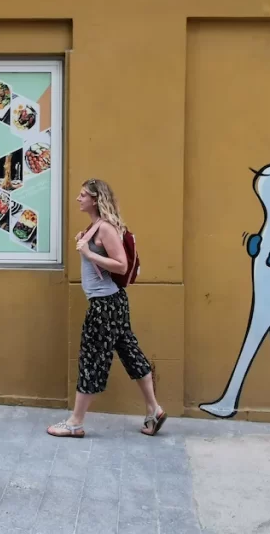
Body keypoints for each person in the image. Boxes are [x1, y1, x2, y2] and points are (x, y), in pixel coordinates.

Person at [47, 179, 165, 438]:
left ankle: (76, 422)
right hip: (112, 303)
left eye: (82, 195)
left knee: (91, 358)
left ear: (95, 199)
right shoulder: (95, 227)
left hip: (104, 305)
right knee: (130, 352)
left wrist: (89, 254)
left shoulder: (106, 229)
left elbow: (121, 265)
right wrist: (86, 243)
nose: (78, 199)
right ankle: (153, 409)